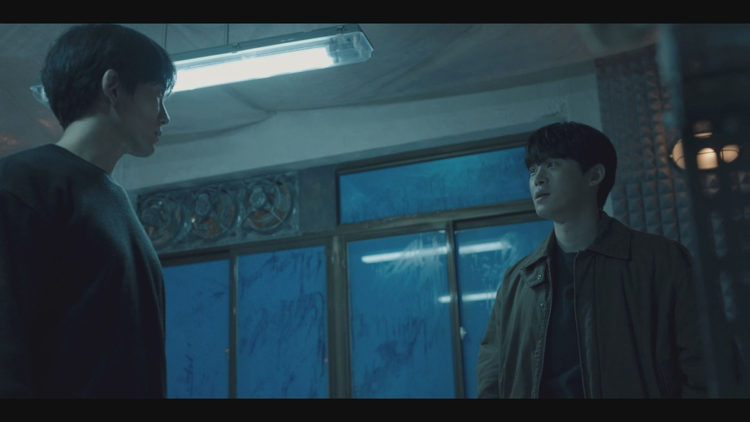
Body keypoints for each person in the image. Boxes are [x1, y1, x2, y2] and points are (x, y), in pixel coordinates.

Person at [0, 24, 175, 398]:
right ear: (113, 88)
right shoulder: (20, 185)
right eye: (157, 96)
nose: (165, 116)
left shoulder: (117, 204)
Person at [477, 122, 707, 398]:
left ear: (594, 175)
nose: (538, 178)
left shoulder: (661, 261)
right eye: (533, 169)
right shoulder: (518, 279)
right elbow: (492, 372)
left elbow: (707, 368)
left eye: (552, 165)